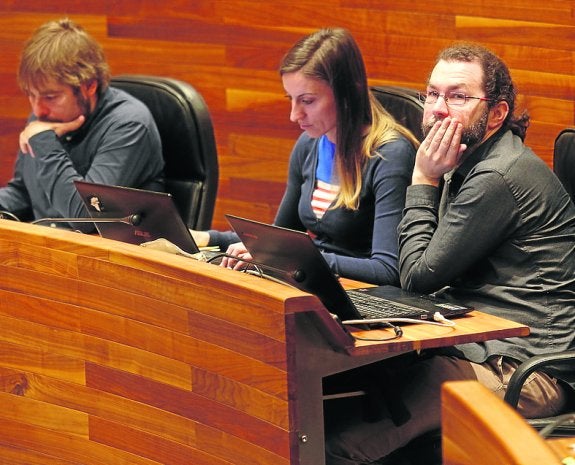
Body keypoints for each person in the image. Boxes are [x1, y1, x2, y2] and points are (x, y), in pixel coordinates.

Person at [325, 42, 575, 464]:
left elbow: (418, 276)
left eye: (457, 96)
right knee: (336, 392)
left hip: (528, 370)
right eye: (432, 94)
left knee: (341, 442)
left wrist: (422, 178)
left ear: (497, 113)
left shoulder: (498, 175)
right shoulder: (467, 161)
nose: (438, 109)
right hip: (477, 343)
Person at [192, 28, 418, 285]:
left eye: (307, 101)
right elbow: (281, 238)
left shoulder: (390, 155)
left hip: (366, 296)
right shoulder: (309, 144)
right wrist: (208, 239)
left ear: (348, 94)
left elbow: (388, 269)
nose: (294, 115)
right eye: (291, 99)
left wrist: (291, 258)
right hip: (316, 281)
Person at [0, 18, 164, 229]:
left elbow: (86, 217)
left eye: (51, 97)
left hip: (108, 255)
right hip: (48, 249)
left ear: (89, 86)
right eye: (31, 96)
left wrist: (45, 144)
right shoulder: (44, 119)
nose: (38, 110)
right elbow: (24, 194)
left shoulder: (129, 125)